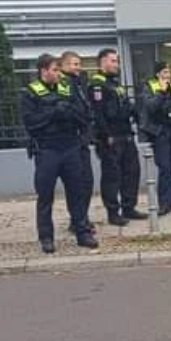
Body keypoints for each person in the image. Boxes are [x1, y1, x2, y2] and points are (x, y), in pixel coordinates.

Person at [21, 54, 98, 253]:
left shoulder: (67, 89)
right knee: (45, 195)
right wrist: (53, 112)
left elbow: (83, 116)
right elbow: (31, 123)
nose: (58, 74)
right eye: (55, 70)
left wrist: (69, 110)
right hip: (47, 150)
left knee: (77, 192)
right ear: (44, 71)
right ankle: (46, 237)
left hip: (70, 147)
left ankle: (82, 232)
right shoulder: (30, 93)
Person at [89, 48, 146, 226]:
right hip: (110, 137)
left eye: (117, 61)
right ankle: (113, 212)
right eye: (113, 61)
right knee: (112, 176)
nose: (116, 65)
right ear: (102, 62)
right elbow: (98, 114)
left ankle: (129, 207)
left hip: (126, 134)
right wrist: (106, 135)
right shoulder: (97, 85)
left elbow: (124, 106)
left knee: (131, 173)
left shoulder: (115, 84)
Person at [140, 62, 171, 214]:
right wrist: (161, 92)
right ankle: (163, 203)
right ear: (158, 74)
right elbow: (150, 107)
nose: (168, 75)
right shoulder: (150, 87)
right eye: (165, 72)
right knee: (165, 168)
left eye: (169, 72)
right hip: (160, 132)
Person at [58, 50, 95, 233]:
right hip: (72, 140)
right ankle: (78, 220)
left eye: (79, 64)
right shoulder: (63, 84)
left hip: (82, 138)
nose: (78, 68)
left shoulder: (78, 83)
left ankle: (82, 217)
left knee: (87, 181)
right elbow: (70, 110)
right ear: (64, 65)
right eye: (75, 64)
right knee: (77, 184)